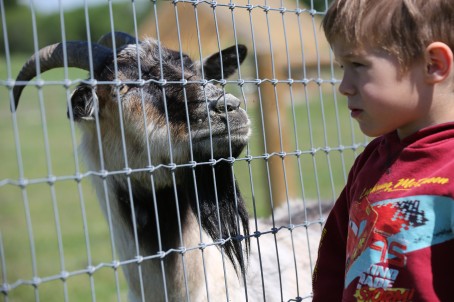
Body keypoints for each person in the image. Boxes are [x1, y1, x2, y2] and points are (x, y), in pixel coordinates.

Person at [312, 0, 454, 301]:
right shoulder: (370, 163)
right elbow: (334, 263)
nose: (344, 86)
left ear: (433, 65)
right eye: (341, 67)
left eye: (358, 65)